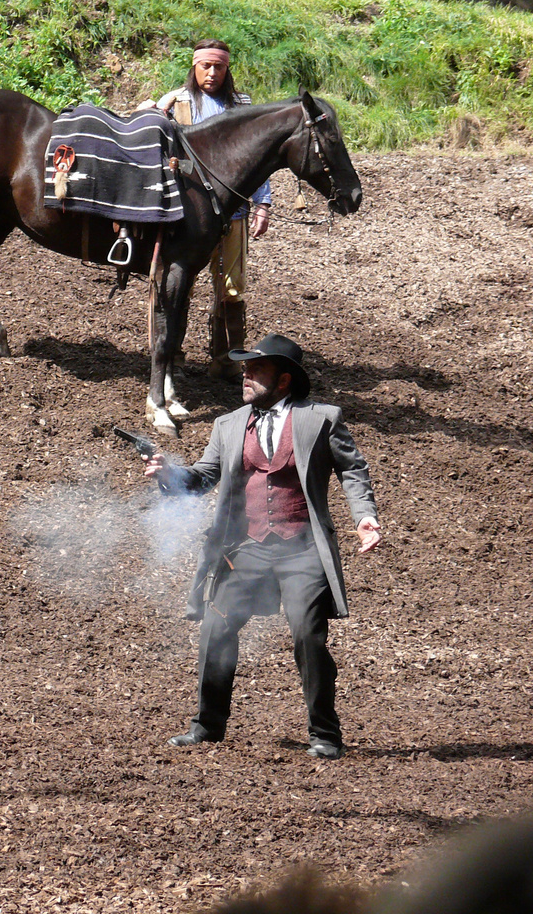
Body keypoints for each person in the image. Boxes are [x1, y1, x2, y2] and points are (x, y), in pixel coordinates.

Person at [143, 333, 381, 759]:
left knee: (308, 635)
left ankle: (324, 734)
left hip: (303, 549)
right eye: (245, 369)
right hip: (246, 548)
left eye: (256, 369)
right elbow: (200, 479)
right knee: (216, 629)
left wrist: (364, 516)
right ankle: (207, 726)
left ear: (285, 380)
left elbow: (353, 469)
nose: (245, 375)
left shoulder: (321, 418)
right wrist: (168, 473)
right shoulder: (228, 425)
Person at [142, 40, 273, 381]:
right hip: (189, 215)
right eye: (206, 66)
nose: (212, 73)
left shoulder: (242, 106)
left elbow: (256, 160)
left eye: (219, 67)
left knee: (231, 287)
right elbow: (152, 141)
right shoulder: (179, 103)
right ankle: (174, 357)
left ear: (227, 69)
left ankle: (226, 360)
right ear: (194, 67)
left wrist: (263, 202)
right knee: (177, 284)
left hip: (233, 214)